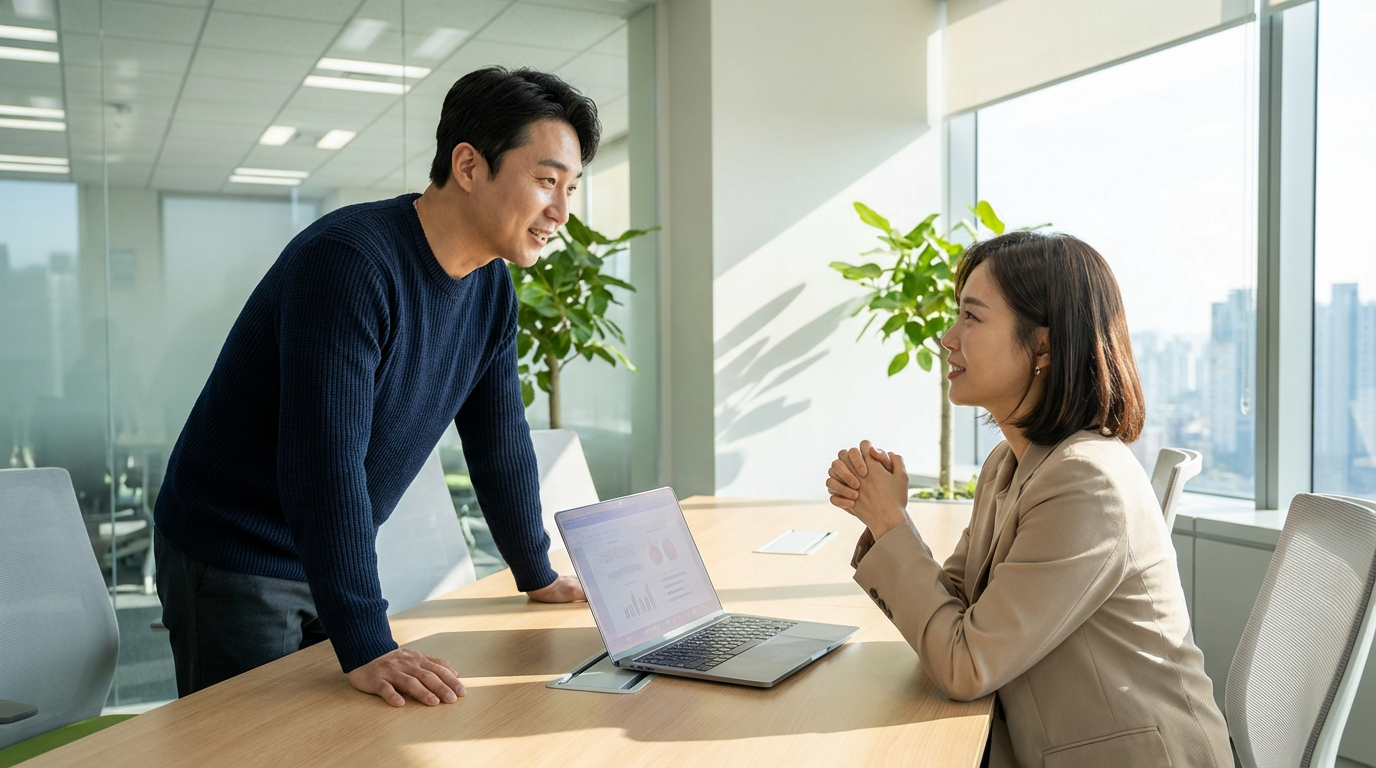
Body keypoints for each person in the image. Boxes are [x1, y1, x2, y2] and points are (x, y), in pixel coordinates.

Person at [154, 67, 595, 708]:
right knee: (252, 749)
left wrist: (537, 572)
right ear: (469, 166)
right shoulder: (351, 261)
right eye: (546, 180)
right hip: (236, 553)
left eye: (571, 188)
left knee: (340, 739)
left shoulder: (491, 287)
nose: (560, 211)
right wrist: (366, 641)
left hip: (322, 548)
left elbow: (500, 441)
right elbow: (324, 465)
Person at [826, 231, 1232, 767]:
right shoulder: (1009, 463)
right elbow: (959, 603)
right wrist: (885, 521)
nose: (948, 338)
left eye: (971, 318)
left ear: (1042, 344)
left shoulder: (1086, 483)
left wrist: (890, 521)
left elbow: (964, 664)